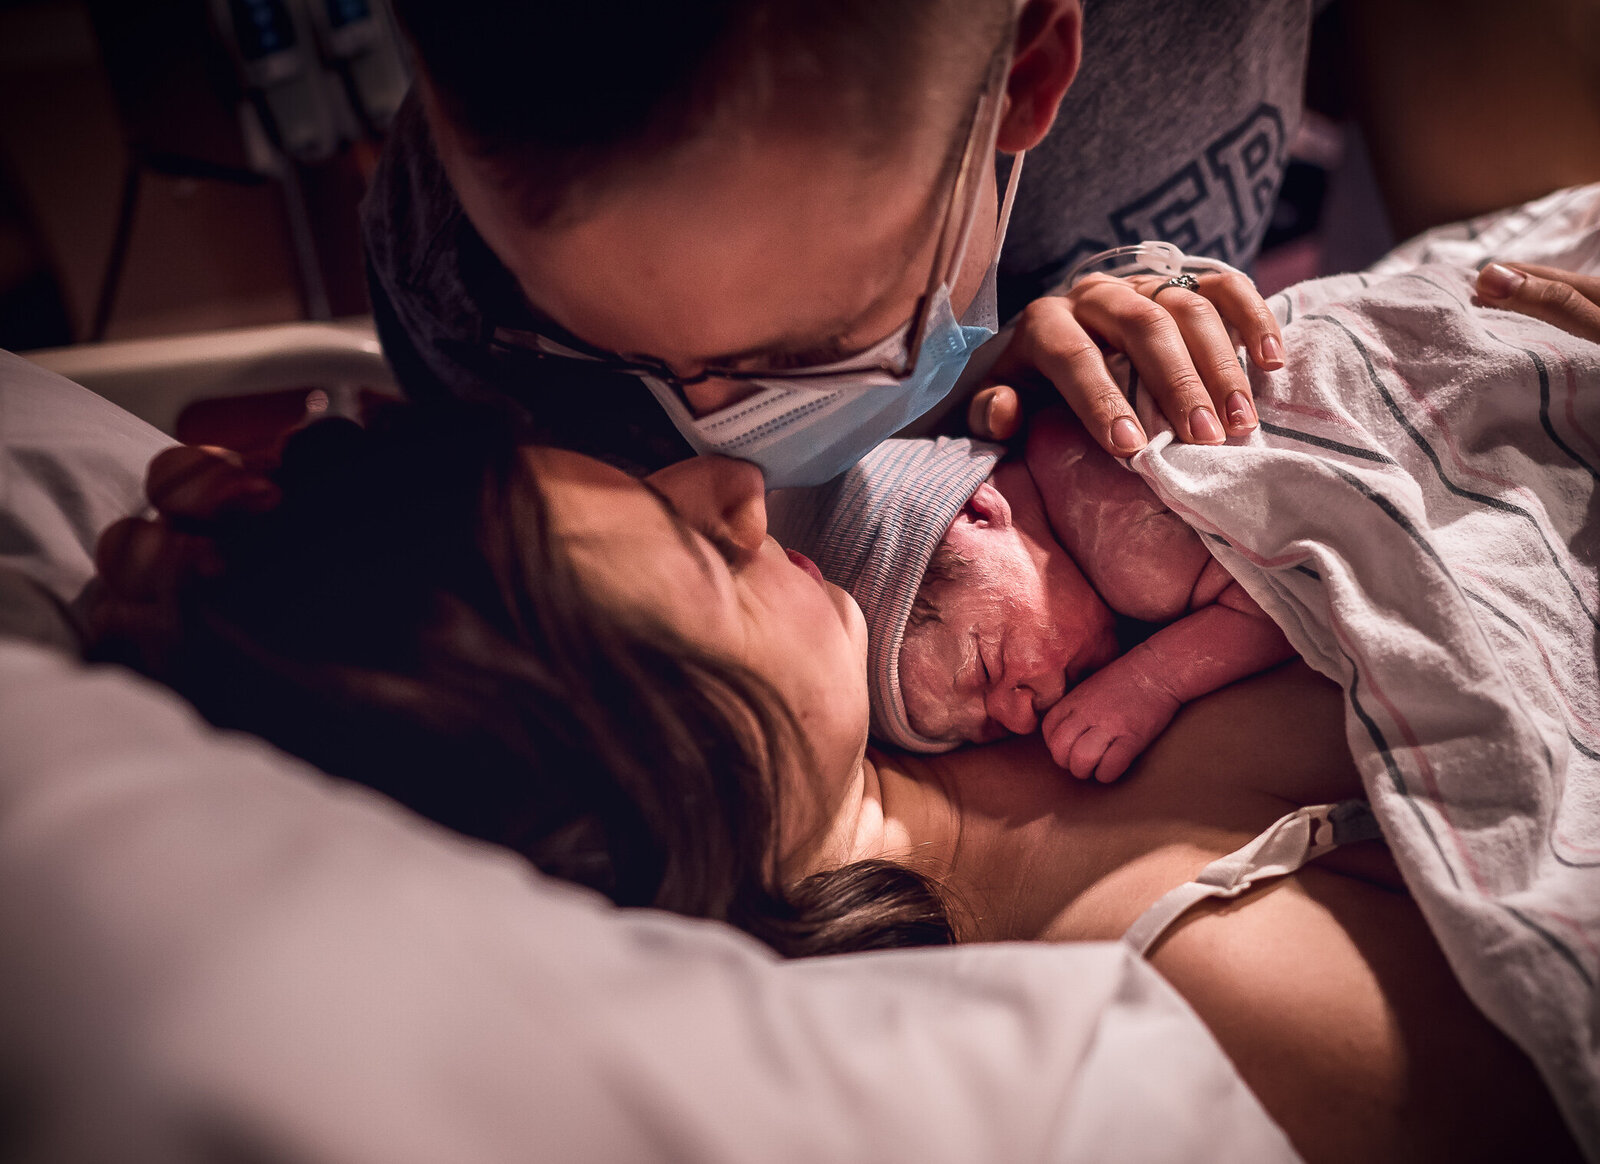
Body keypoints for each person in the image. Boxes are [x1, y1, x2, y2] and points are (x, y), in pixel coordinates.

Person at [90, 406, 1578, 1164]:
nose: (736, 484)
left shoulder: (927, 681)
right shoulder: (1195, 981)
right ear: (650, 777)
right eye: (708, 552)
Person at [364, 0, 1302, 480]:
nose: (727, 464)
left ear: (1025, 75)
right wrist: (951, 405)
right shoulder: (454, 281)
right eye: (598, 345)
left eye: (816, 349)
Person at [773, 410, 1294, 781]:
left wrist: (1152, 680)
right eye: (987, 730)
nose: (1024, 719)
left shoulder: (1131, 552)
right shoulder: (1046, 428)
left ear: (976, 516)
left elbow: (1280, 599)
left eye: (987, 667)